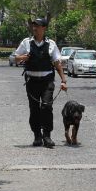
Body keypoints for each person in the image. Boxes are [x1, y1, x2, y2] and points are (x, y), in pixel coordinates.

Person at [15, 18, 67, 147]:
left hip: (47, 81)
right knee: (34, 109)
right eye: (33, 26)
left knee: (46, 106)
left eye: (37, 26)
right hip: (31, 81)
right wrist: (23, 57)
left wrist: (63, 80)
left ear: (44, 28)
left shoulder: (51, 44)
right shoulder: (26, 42)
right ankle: (37, 136)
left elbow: (57, 63)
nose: (34, 28)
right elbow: (15, 58)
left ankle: (47, 136)